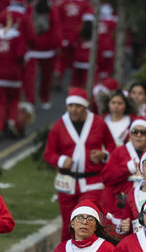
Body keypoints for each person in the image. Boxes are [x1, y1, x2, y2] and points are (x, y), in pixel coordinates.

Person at [43, 89, 114, 240]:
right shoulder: (59, 126)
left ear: (85, 107)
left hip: (92, 181)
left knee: (84, 218)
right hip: (67, 182)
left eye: (77, 106)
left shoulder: (99, 123)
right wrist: (61, 160)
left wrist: (104, 155)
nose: (73, 109)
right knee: (68, 222)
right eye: (70, 106)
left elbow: (112, 148)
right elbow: (48, 153)